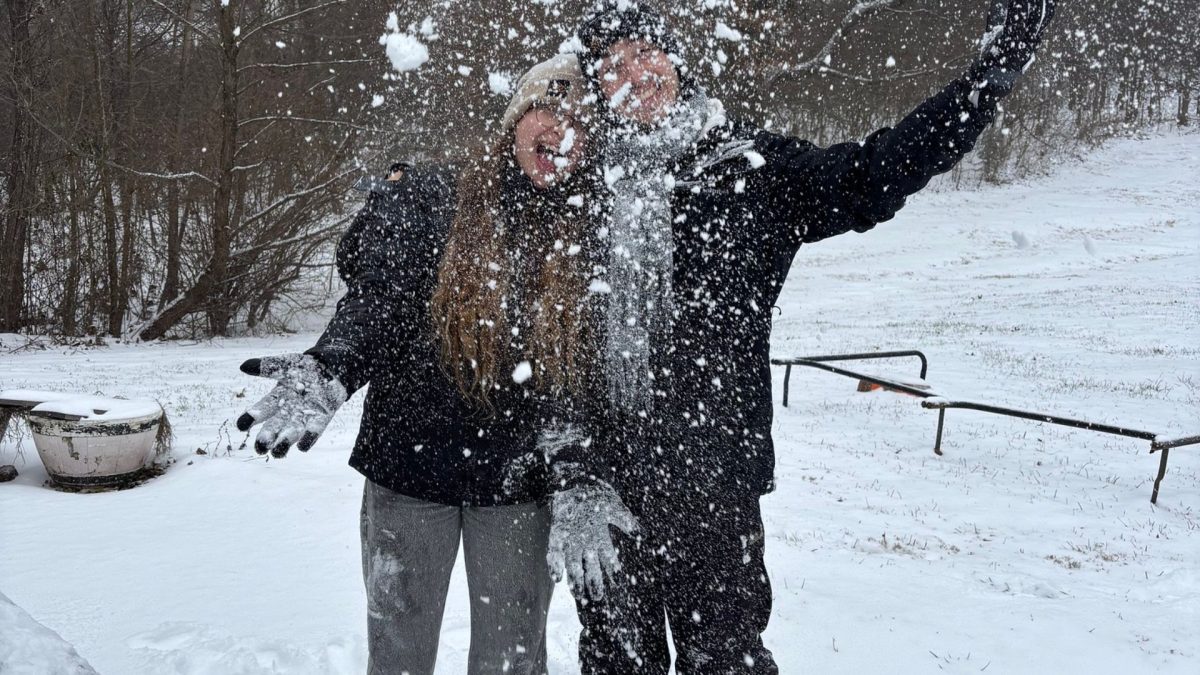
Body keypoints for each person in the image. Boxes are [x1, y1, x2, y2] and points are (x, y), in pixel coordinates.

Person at [539, 1, 1059, 673]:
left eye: (646, 54)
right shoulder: (576, 192)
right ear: (597, 90)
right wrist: (573, 477)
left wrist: (986, 80)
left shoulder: (753, 170)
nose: (635, 73)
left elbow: (877, 172)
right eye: (612, 66)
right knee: (614, 665)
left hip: (716, 488)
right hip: (604, 497)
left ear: (676, 62)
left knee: (725, 661)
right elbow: (547, 350)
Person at [235, 54, 596, 675]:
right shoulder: (433, 194)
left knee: (512, 658)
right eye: (546, 109)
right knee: (399, 649)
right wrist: (334, 366)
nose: (560, 130)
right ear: (515, 119)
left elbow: (584, 373)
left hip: (518, 482)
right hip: (410, 466)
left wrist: (582, 470)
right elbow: (380, 299)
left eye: (579, 122)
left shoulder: (590, 229)